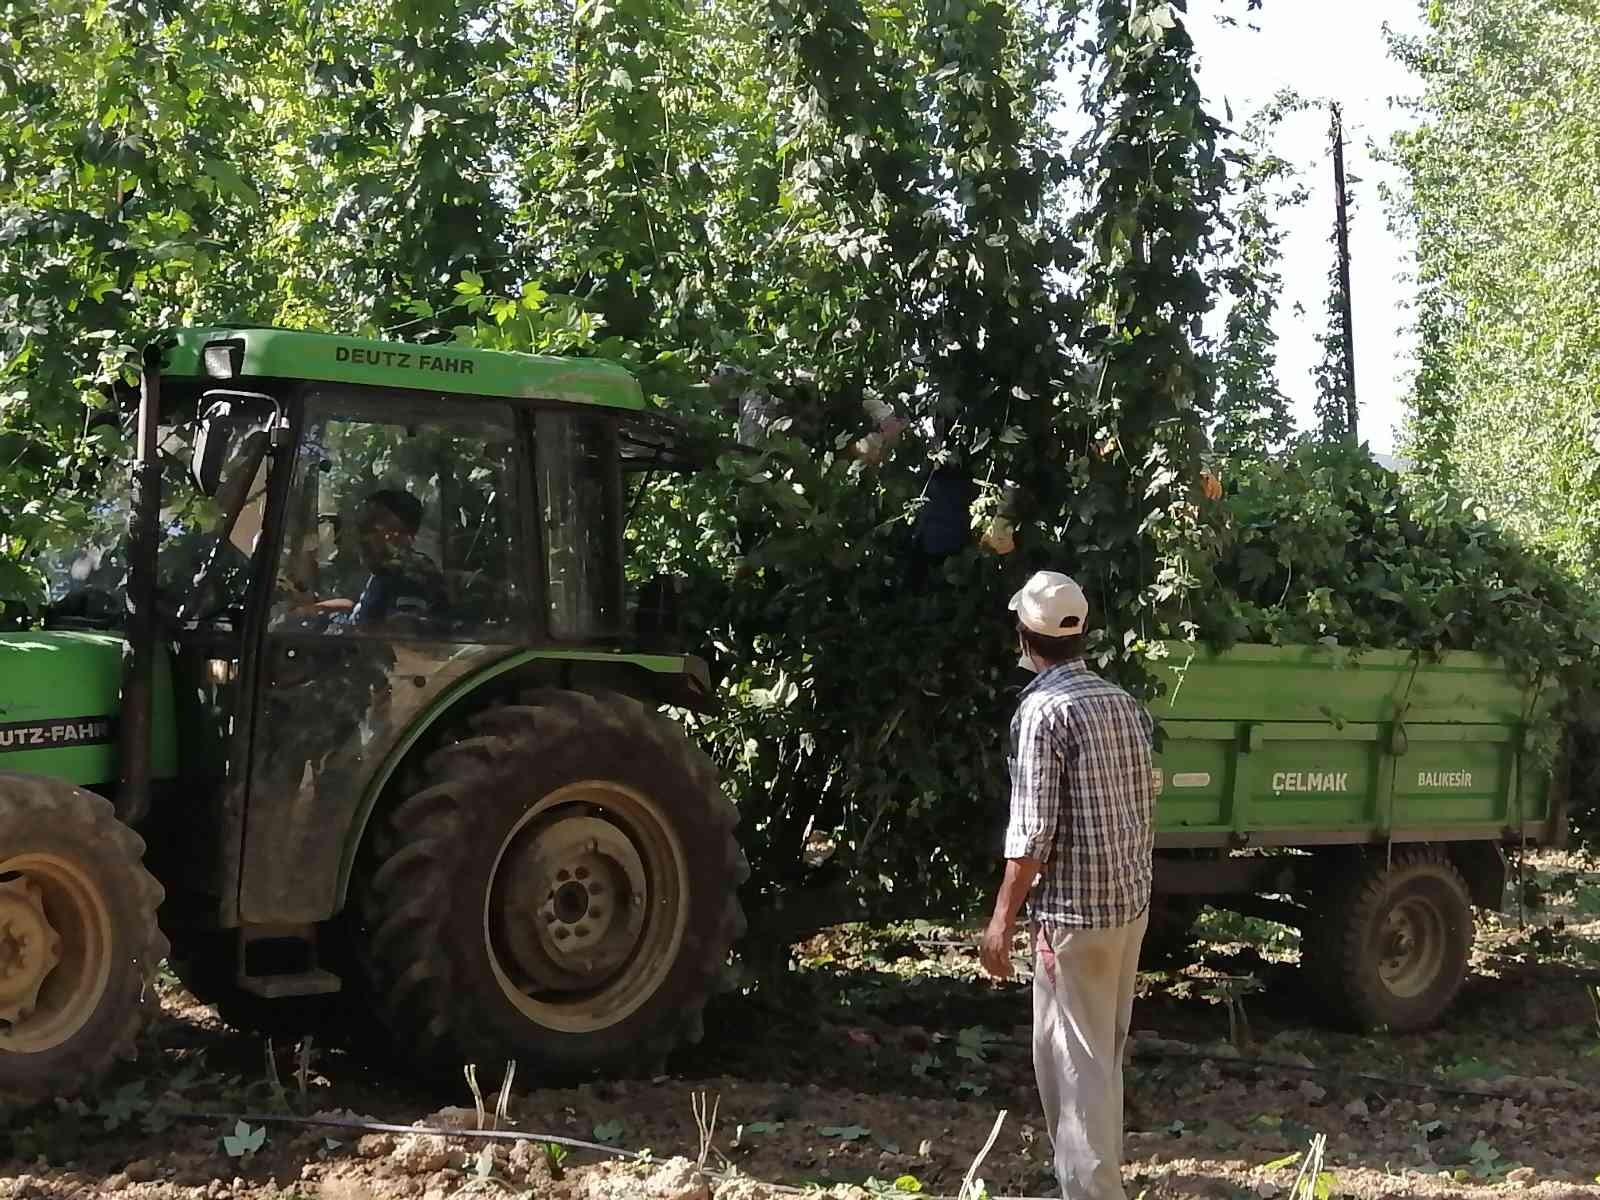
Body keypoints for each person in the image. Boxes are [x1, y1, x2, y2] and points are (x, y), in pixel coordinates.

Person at [978, 570, 1156, 1200]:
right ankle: (1101, 1183)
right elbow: (1142, 808)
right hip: (1127, 909)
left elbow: (1031, 834)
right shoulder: (1122, 703)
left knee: (1071, 1073)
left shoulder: (1043, 711)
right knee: (1101, 1063)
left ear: (1024, 634)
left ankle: (1092, 1193)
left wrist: (1001, 920)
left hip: (1073, 921)